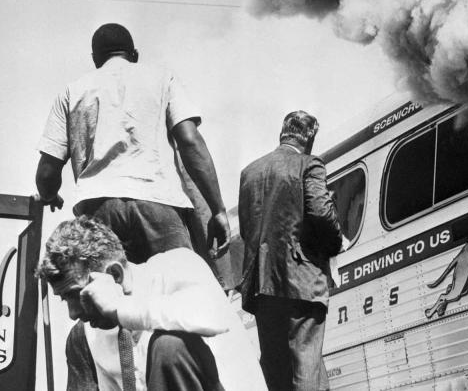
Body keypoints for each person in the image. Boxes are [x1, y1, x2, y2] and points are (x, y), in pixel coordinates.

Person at [35, 22, 230, 264]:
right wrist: (218, 209)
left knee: (107, 296)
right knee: (174, 291)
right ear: (134, 55)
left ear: (95, 59)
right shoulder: (163, 79)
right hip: (157, 202)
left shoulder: (72, 92)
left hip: (97, 210)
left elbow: (46, 172)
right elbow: (190, 141)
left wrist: (49, 195)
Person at [36, 216, 267, 391]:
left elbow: (212, 318)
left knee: (169, 347)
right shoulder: (86, 334)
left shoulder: (177, 265)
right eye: (65, 299)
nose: (73, 312)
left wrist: (120, 308)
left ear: (115, 275)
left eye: (77, 295)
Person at [238, 110, 343, 390]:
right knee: (306, 362)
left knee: (276, 371)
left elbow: (248, 230)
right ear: (309, 138)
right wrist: (333, 246)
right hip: (303, 284)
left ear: (282, 134)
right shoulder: (309, 164)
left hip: (262, 285)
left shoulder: (249, 173)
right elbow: (321, 214)